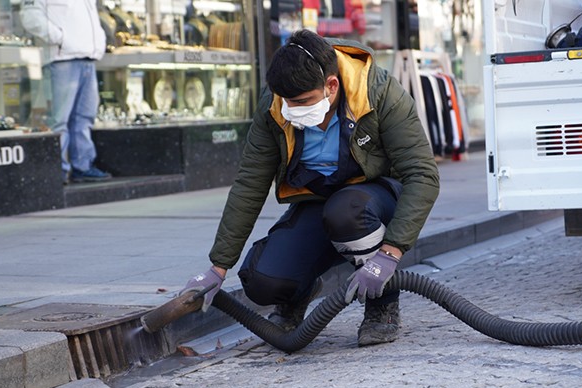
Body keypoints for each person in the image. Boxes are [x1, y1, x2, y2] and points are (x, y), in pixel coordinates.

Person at [182, 30, 440, 347]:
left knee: (347, 210)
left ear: (331, 86)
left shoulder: (379, 92)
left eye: (302, 102)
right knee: (263, 280)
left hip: (375, 198)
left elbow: (423, 174)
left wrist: (391, 252)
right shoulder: (275, 108)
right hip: (318, 202)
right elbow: (250, 182)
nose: (292, 110)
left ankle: (382, 306)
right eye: (287, 102)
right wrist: (218, 267)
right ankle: (296, 298)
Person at [20, 0, 111, 184]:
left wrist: (98, 43)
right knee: (58, 120)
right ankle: (58, 171)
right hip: (62, 59)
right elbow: (30, 16)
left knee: (84, 117)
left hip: (87, 58)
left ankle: (83, 167)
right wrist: (59, 38)